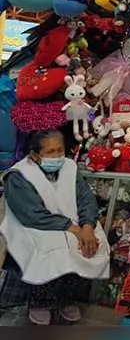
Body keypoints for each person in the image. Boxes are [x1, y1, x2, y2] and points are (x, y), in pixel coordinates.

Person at [0, 130, 109, 325]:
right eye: (50, 152)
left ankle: (65, 298)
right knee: (56, 246)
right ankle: (40, 302)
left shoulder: (69, 167)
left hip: (71, 223)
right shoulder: (18, 175)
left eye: (60, 150)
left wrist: (87, 225)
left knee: (94, 243)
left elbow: (85, 199)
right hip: (33, 226)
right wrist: (72, 228)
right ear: (34, 155)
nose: (57, 156)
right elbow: (31, 214)